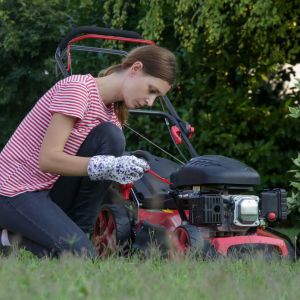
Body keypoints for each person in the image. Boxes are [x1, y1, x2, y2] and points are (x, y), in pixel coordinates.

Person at [0, 45, 176, 258]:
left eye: (156, 97)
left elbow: (89, 181)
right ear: (136, 69)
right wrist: (106, 166)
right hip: (14, 190)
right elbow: (47, 160)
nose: (150, 101)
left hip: (48, 191)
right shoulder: (78, 89)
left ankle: (26, 236)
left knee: (112, 137)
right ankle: (17, 235)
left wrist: (122, 170)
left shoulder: (112, 116)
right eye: (151, 90)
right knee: (81, 255)